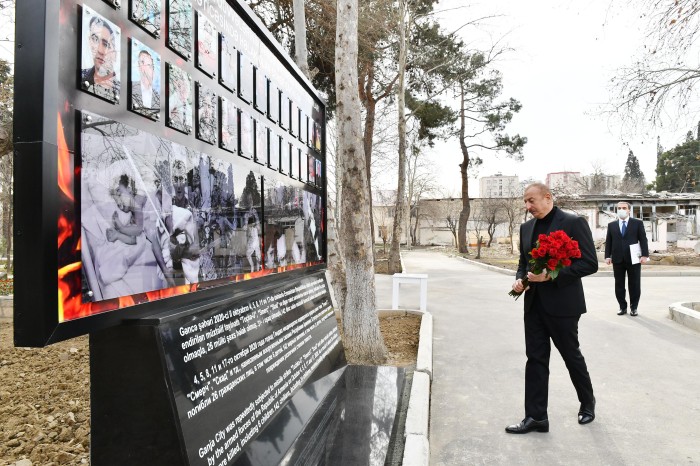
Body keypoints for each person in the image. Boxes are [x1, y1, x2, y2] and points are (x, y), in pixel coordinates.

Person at [507, 183, 598, 434]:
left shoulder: (572, 222)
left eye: (531, 201)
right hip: (534, 304)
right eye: (525, 202)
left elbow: (589, 263)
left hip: (563, 306)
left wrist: (551, 276)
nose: (528, 207)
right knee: (535, 360)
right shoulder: (526, 228)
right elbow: (523, 263)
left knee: (571, 356)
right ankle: (536, 417)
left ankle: (587, 403)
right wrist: (519, 280)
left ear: (547, 198)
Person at [604, 201, 649, 316]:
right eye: (619, 208)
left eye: (624, 208)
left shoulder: (637, 223)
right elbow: (609, 241)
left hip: (634, 259)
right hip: (617, 259)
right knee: (619, 284)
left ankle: (634, 307)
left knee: (634, 284)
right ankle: (622, 307)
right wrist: (607, 256)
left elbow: (643, 239)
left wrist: (645, 255)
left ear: (629, 210)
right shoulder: (612, 225)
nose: (621, 210)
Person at [81, 14, 120, 100]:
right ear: (90, 41)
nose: (100, 50)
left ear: (114, 53)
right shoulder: (80, 76)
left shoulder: (120, 90)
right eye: (95, 39)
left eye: (106, 44)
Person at [131, 49, 160, 118]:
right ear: (139, 67)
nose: (144, 68)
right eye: (141, 63)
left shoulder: (158, 98)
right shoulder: (130, 87)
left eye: (150, 66)